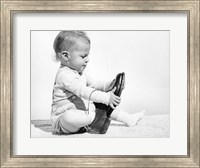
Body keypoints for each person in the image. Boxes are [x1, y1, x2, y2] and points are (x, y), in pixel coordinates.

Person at [51, 31, 145, 134]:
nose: (88, 60)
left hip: (82, 117)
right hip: (64, 124)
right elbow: (83, 91)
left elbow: (93, 85)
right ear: (66, 56)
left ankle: (128, 118)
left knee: (99, 104)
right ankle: (94, 118)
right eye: (83, 56)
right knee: (69, 116)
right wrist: (106, 98)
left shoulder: (79, 73)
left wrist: (109, 85)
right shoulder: (64, 76)